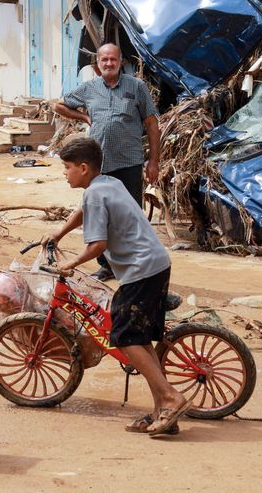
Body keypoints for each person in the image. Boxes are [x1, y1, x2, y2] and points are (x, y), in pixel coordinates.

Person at [43, 137, 187, 436]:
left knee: (122, 337)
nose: (64, 173)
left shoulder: (96, 195)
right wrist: (59, 232)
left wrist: (69, 265)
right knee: (139, 339)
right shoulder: (107, 183)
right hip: (155, 263)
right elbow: (84, 211)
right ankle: (162, 408)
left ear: (84, 168)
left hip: (141, 269)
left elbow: (98, 245)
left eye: (67, 168)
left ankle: (172, 398)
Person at [52, 43, 161, 281]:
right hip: (98, 166)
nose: (109, 63)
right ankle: (106, 264)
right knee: (99, 215)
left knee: (129, 215)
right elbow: (58, 105)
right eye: (104, 60)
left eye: (113, 59)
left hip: (129, 162)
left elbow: (152, 125)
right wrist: (83, 116)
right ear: (97, 64)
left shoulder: (137, 87)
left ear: (121, 61)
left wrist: (154, 162)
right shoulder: (89, 89)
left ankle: (135, 263)